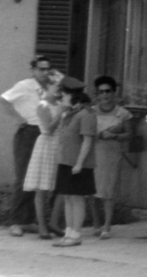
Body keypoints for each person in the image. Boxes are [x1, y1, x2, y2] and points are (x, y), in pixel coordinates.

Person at [0, 56, 54, 235]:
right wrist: (19, 118)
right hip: (29, 133)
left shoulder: (51, 87)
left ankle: (29, 220)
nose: (45, 72)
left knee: (37, 179)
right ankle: (15, 221)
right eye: (41, 69)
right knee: (23, 177)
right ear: (33, 70)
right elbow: (4, 100)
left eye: (47, 69)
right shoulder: (25, 85)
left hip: (46, 133)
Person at [22, 74, 70, 240]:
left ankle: (54, 223)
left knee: (63, 187)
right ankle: (42, 226)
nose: (59, 89)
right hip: (47, 145)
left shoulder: (60, 104)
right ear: (47, 87)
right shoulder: (42, 106)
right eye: (56, 86)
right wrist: (62, 112)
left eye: (60, 86)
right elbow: (48, 129)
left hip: (60, 146)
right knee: (42, 188)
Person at [51, 78, 96, 248]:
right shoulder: (70, 114)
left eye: (62, 95)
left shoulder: (87, 114)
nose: (60, 99)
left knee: (76, 199)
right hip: (66, 162)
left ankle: (76, 234)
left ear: (71, 95)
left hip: (78, 164)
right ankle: (68, 232)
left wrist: (79, 164)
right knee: (68, 197)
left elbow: (87, 141)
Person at [88, 75, 131, 238]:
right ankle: (95, 223)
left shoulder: (123, 113)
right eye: (101, 92)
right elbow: (86, 131)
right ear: (97, 94)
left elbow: (129, 135)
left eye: (108, 91)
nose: (104, 95)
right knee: (93, 191)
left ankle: (107, 225)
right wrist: (97, 134)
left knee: (109, 191)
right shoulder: (91, 111)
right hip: (94, 153)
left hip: (112, 154)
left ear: (114, 93)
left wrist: (114, 136)